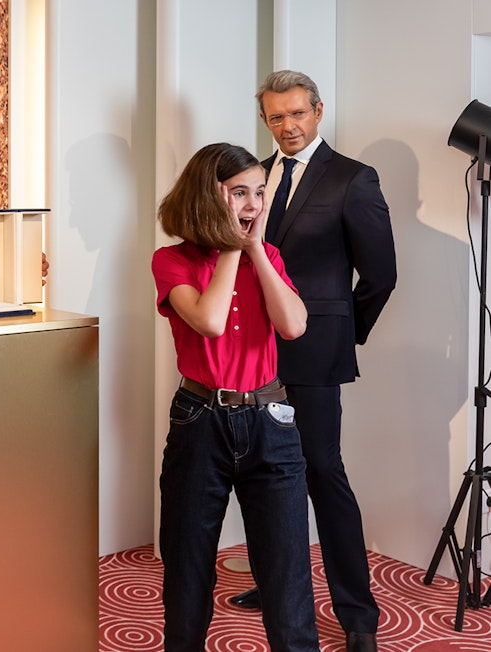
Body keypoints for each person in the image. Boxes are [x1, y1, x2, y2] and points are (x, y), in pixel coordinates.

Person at [231, 70, 396, 652]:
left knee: (324, 475)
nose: (287, 126)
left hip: (316, 351)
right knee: (265, 476)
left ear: (318, 112)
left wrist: (341, 332)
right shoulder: (256, 175)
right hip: (254, 351)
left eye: (297, 114)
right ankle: (277, 584)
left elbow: (380, 275)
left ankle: (358, 615)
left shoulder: (354, 179)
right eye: (276, 117)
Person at [152, 142, 319, 652]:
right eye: (239, 193)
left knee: (288, 576)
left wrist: (254, 252)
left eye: (260, 192)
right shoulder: (171, 260)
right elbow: (208, 320)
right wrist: (230, 247)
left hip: (272, 420)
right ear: (210, 196)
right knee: (188, 572)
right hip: (200, 420)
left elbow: (293, 326)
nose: (253, 204)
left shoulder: (268, 256)